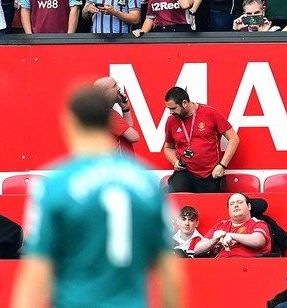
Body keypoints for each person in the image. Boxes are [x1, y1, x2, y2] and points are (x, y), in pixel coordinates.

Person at [11, 86, 181, 308]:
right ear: (109, 121)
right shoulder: (147, 185)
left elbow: (36, 274)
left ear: (70, 122)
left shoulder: (54, 186)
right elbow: (170, 272)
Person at [162, 85, 240, 193]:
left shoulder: (210, 113)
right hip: (185, 172)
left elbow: (234, 138)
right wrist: (175, 162)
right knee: (176, 196)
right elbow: (168, 147)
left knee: (211, 205)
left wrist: (222, 165)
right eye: (168, 109)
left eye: (173, 108)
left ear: (184, 103)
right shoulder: (171, 121)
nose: (170, 112)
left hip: (210, 173)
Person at [192, 193, 272, 257]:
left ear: (249, 206)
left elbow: (258, 242)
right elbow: (197, 250)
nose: (236, 205)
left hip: (248, 267)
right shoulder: (220, 225)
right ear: (229, 209)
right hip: (219, 267)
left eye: (240, 202)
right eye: (232, 204)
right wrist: (213, 241)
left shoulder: (257, 223)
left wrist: (231, 235)